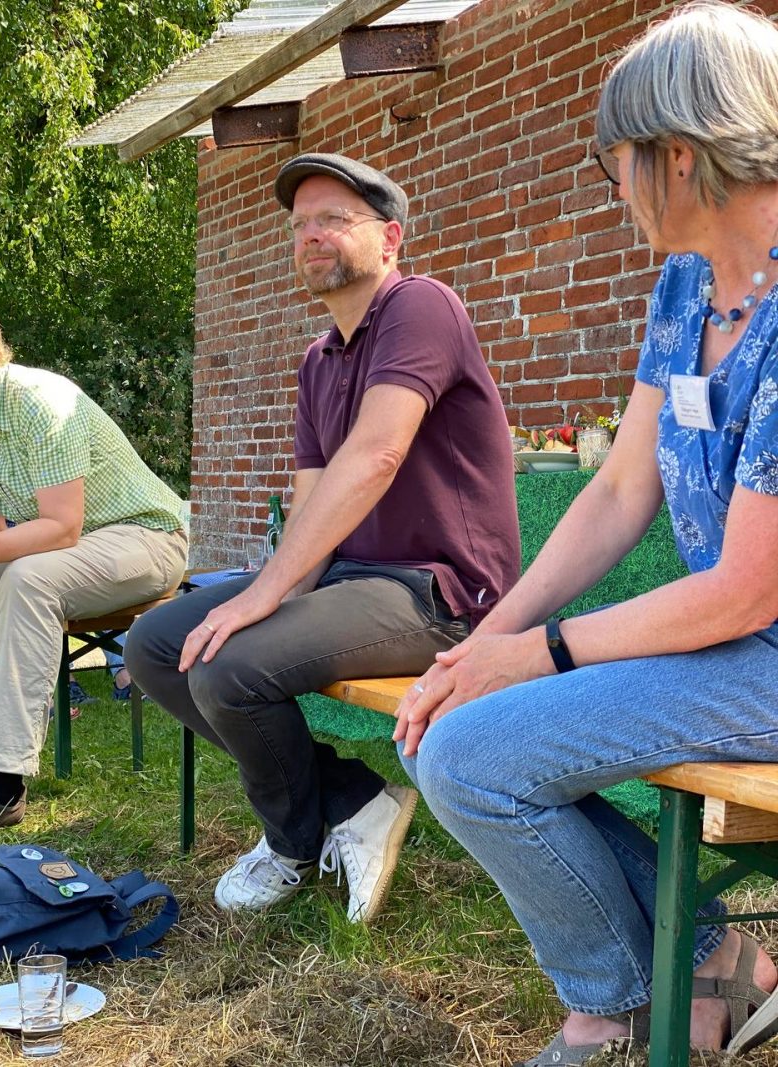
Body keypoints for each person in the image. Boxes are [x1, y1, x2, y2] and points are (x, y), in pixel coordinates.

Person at [394, 2, 778, 1061]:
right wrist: (484, 645)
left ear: (679, 153)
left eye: (615, 161)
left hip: (759, 642)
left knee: (470, 756)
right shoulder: (688, 284)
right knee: (458, 725)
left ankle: (609, 1010)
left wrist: (539, 652)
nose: (612, 188)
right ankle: (712, 960)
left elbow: (747, 587)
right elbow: (618, 489)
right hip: (740, 647)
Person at [126, 152, 519, 923]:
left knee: (230, 666)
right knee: (157, 644)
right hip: (351, 580)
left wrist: (261, 602)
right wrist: (269, 591)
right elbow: (311, 502)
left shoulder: (421, 306)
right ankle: (353, 799)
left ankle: (292, 842)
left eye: (334, 218)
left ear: (390, 237)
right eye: (300, 223)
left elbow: (376, 455)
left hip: (439, 592)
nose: (311, 234)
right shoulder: (319, 361)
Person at [0, 312, 188, 828]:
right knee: (20, 575)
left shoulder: (38, 401)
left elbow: (60, 528)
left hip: (146, 537)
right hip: (71, 552)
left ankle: (2, 785)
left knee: (29, 580)